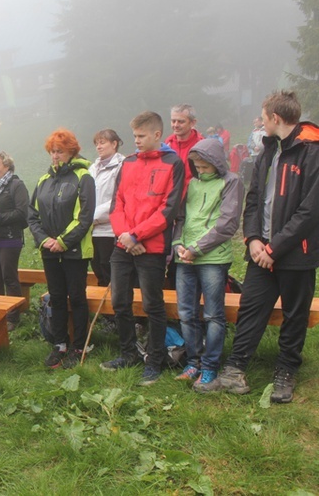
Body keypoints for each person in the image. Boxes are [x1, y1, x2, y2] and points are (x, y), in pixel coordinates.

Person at [201, 91, 319, 403]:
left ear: (275, 118)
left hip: (297, 253)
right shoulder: (268, 151)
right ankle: (234, 369)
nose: (262, 121)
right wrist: (253, 239)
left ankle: (285, 372)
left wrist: (274, 248)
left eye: (263, 116)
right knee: (251, 309)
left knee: (295, 316)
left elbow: (310, 211)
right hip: (260, 251)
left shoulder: (312, 151)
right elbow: (253, 199)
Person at [101, 111, 184, 386]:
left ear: (157, 135)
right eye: (134, 136)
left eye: (141, 136)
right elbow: (117, 204)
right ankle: (128, 353)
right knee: (119, 302)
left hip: (152, 245)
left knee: (152, 304)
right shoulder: (128, 163)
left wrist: (137, 235)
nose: (135, 141)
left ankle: (155, 359)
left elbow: (167, 210)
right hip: (122, 244)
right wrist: (125, 235)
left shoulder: (173, 163)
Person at [171, 139, 244, 389]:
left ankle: (211, 367)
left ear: (216, 163)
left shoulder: (231, 181)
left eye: (205, 166)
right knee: (186, 314)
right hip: (186, 258)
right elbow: (180, 218)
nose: (200, 170)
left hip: (212, 258)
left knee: (213, 315)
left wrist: (197, 249)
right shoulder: (191, 184)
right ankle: (193, 363)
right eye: (197, 166)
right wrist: (178, 244)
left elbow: (227, 224)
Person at [28, 129, 95, 369]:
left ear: (71, 152)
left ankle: (80, 345)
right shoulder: (43, 180)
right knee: (56, 297)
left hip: (74, 250)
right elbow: (32, 215)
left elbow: (85, 217)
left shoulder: (84, 177)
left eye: (60, 151)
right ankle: (59, 344)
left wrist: (63, 241)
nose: (55, 156)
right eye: (52, 151)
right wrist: (44, 240)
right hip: (49, 249)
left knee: (76, 297)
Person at [0, 151, 29, 332]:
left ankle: (13, 316)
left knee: (9, 277)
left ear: (7, 166)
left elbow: (22, 212)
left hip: (9, 239)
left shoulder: (16, 185)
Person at [89, 129, 125, 287]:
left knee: (109, 268)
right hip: (91, 230)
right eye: (97, 143)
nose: (98, 146)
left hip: (110, 229)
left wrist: (91, 217)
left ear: (114, 143)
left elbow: (117, 198)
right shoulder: (92, 168)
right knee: (97, 267)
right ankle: (103, 310)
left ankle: (114, 309)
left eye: (102, 142)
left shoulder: (122, 165)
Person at [165, 104, 203, 183]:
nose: (176, 125)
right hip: (173, 192)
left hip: (193, 192)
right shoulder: (168, 143)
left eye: (181, 122)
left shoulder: (201, 145)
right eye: (173, 121)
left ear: (192, 123)